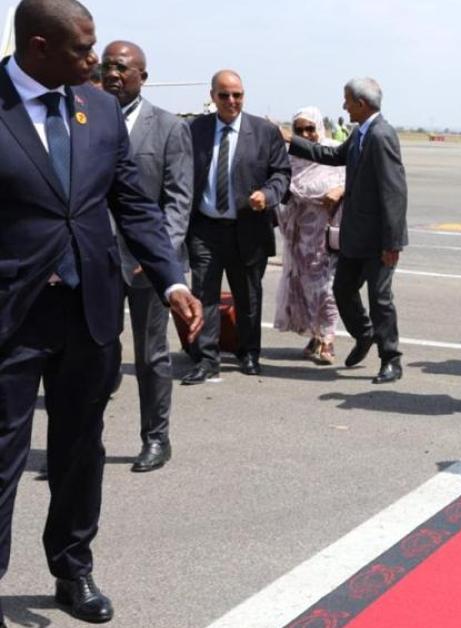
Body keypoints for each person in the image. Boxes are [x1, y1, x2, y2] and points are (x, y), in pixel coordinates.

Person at [0, 0, 202, 622]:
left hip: (88, 311)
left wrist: (172, 283)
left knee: (81, 451)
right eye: (83, 50)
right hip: (10, 316)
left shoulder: (100, 110)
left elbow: (133, 204)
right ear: (38, 47)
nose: (96, 60)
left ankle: (73, 569)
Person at [99, 39, 194, 472]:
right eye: (107, 66)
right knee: (95, 353)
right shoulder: (89, 118)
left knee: (151, 355)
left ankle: (156, 438)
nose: (113, 73)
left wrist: (158, 255)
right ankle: (85, 442)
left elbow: (177, 201)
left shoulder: (170, 127)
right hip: (96, 260)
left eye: (122, 67)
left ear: (142, 76)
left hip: (147, 264)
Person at [285, 77, 408, 384]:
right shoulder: (360, 133)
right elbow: (332, 156)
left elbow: (395, 192)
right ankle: (364, 334)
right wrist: (292, 140)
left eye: (347, 101)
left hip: (379, 239)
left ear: (361, 104)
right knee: (342, 289)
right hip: (355, 235)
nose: (343, 106)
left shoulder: (381, 135)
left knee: (380, 299)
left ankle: (390, 359)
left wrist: (392, 243)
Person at [183, 69, 291, 384]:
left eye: (238, 95)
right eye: (224, 95)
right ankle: (206, 359)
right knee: (204, 295)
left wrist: (267, 196)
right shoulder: (196, 130)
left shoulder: (263, 132)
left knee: (248, 296)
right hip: (205, 228)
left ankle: (249, 353)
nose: (232, 101)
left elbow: (281, 174)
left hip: (247, 227)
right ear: (212, 96)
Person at [275, 106, 344, 365]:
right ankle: (315, 334)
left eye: (310, 128)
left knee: (326, 289)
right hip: (299, 235)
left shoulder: (335, 151)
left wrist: (339, 190)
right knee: (304, 288)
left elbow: (354, 179)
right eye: (300, 130)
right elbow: (282, 186)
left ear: (320, 127)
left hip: (327, 236)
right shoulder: (290, 158)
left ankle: (328, 340)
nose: (306, 134)